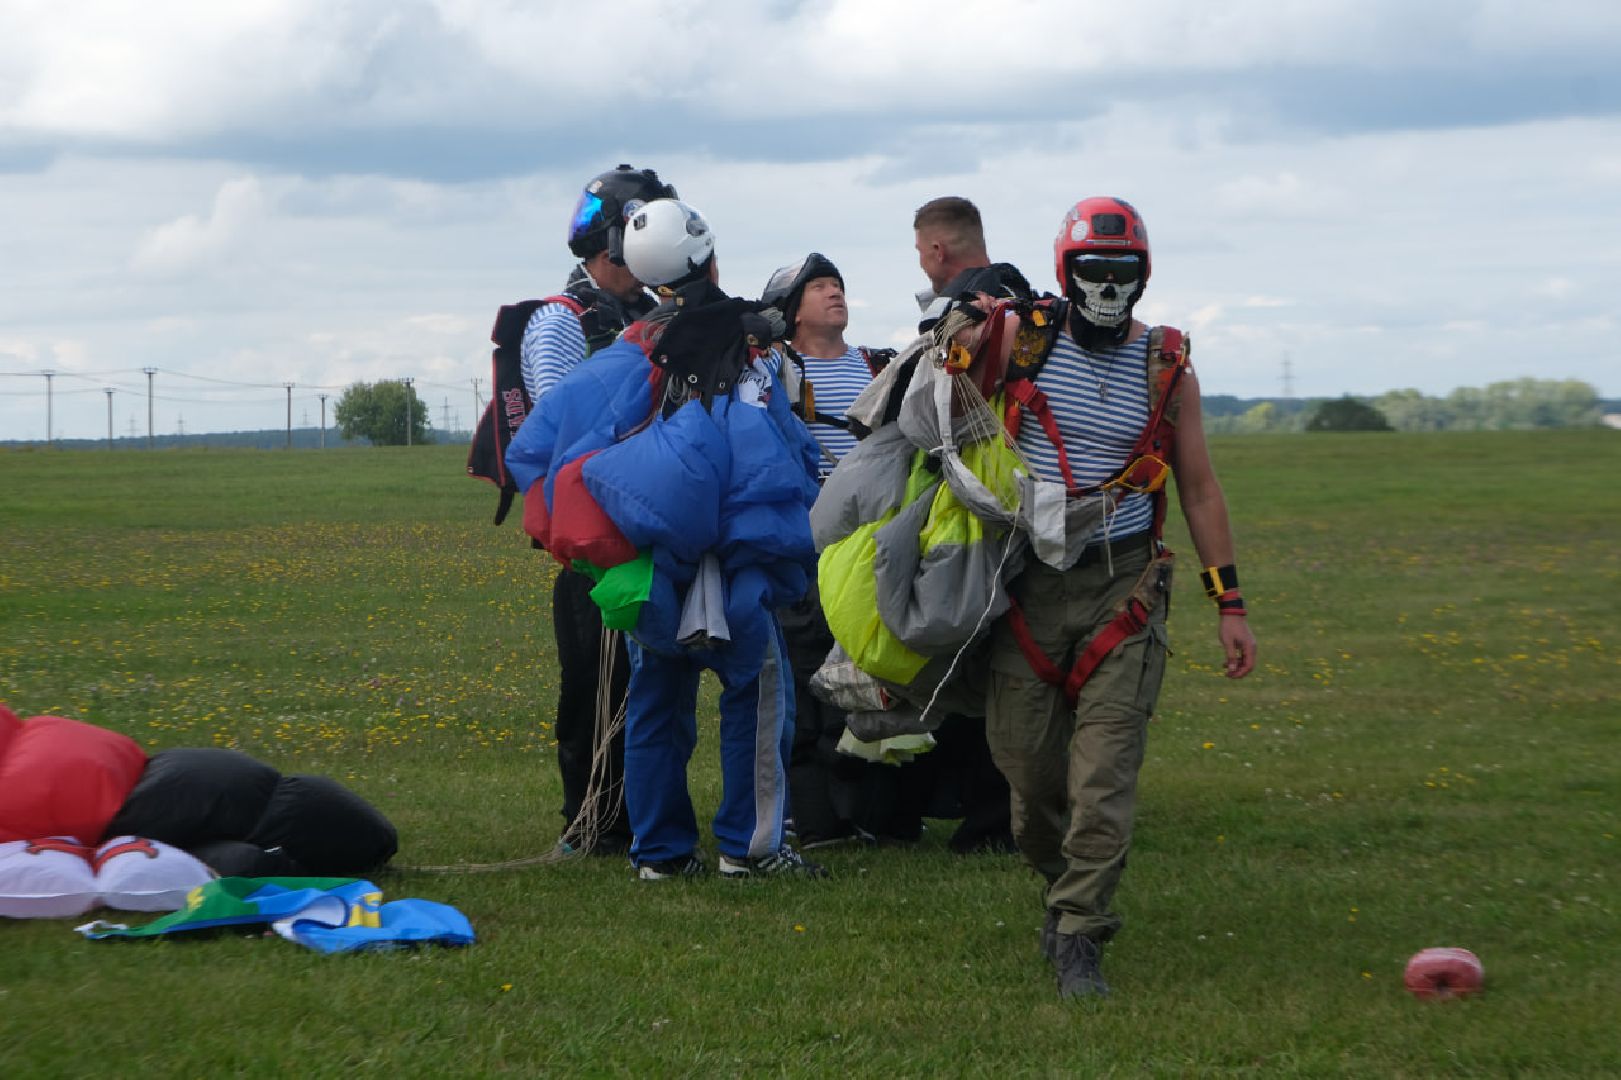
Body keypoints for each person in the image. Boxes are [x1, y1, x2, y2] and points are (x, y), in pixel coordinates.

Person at [982, 196, 1258, 999]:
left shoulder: (1166, 366)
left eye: (1122, 271)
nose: (1107, 285)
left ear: (1144, 275)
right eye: (1092, 270)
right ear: (1064, 272)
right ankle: (1060, 882)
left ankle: (1079, 933)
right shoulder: (1020, 340)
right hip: (1026, 583)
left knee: (1103, 774)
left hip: (1124, 585)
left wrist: (1229, 604)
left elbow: (1198, 488)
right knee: (1031, 780)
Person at [506, 199, 827, 881]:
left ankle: (660, 853)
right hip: (735, 554)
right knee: (757, 694)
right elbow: (777, 448)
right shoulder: (744, 347)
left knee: (656, 701)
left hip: (655, 559)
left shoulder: (628, 351)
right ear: (708, 260)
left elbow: (552, 441)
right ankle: (752, 847)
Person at [525, 164, 678, 857]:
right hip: (594, 540)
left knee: (655, 684)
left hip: (655, 527)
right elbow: (563, 427)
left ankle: (646, 812)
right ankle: (591, 822)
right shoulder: (561, 322)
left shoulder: (659, 314)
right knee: (595, 684)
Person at [758, 254, 895, 848]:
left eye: (837, 284)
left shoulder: (879, 366)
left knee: (873, 670)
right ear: (791, 311)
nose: (835, 293)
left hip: (874, 546)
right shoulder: (773, 369)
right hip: (808, 547)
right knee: (808, 673)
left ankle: (871, 806)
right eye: (819, 287)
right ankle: (812, 812)